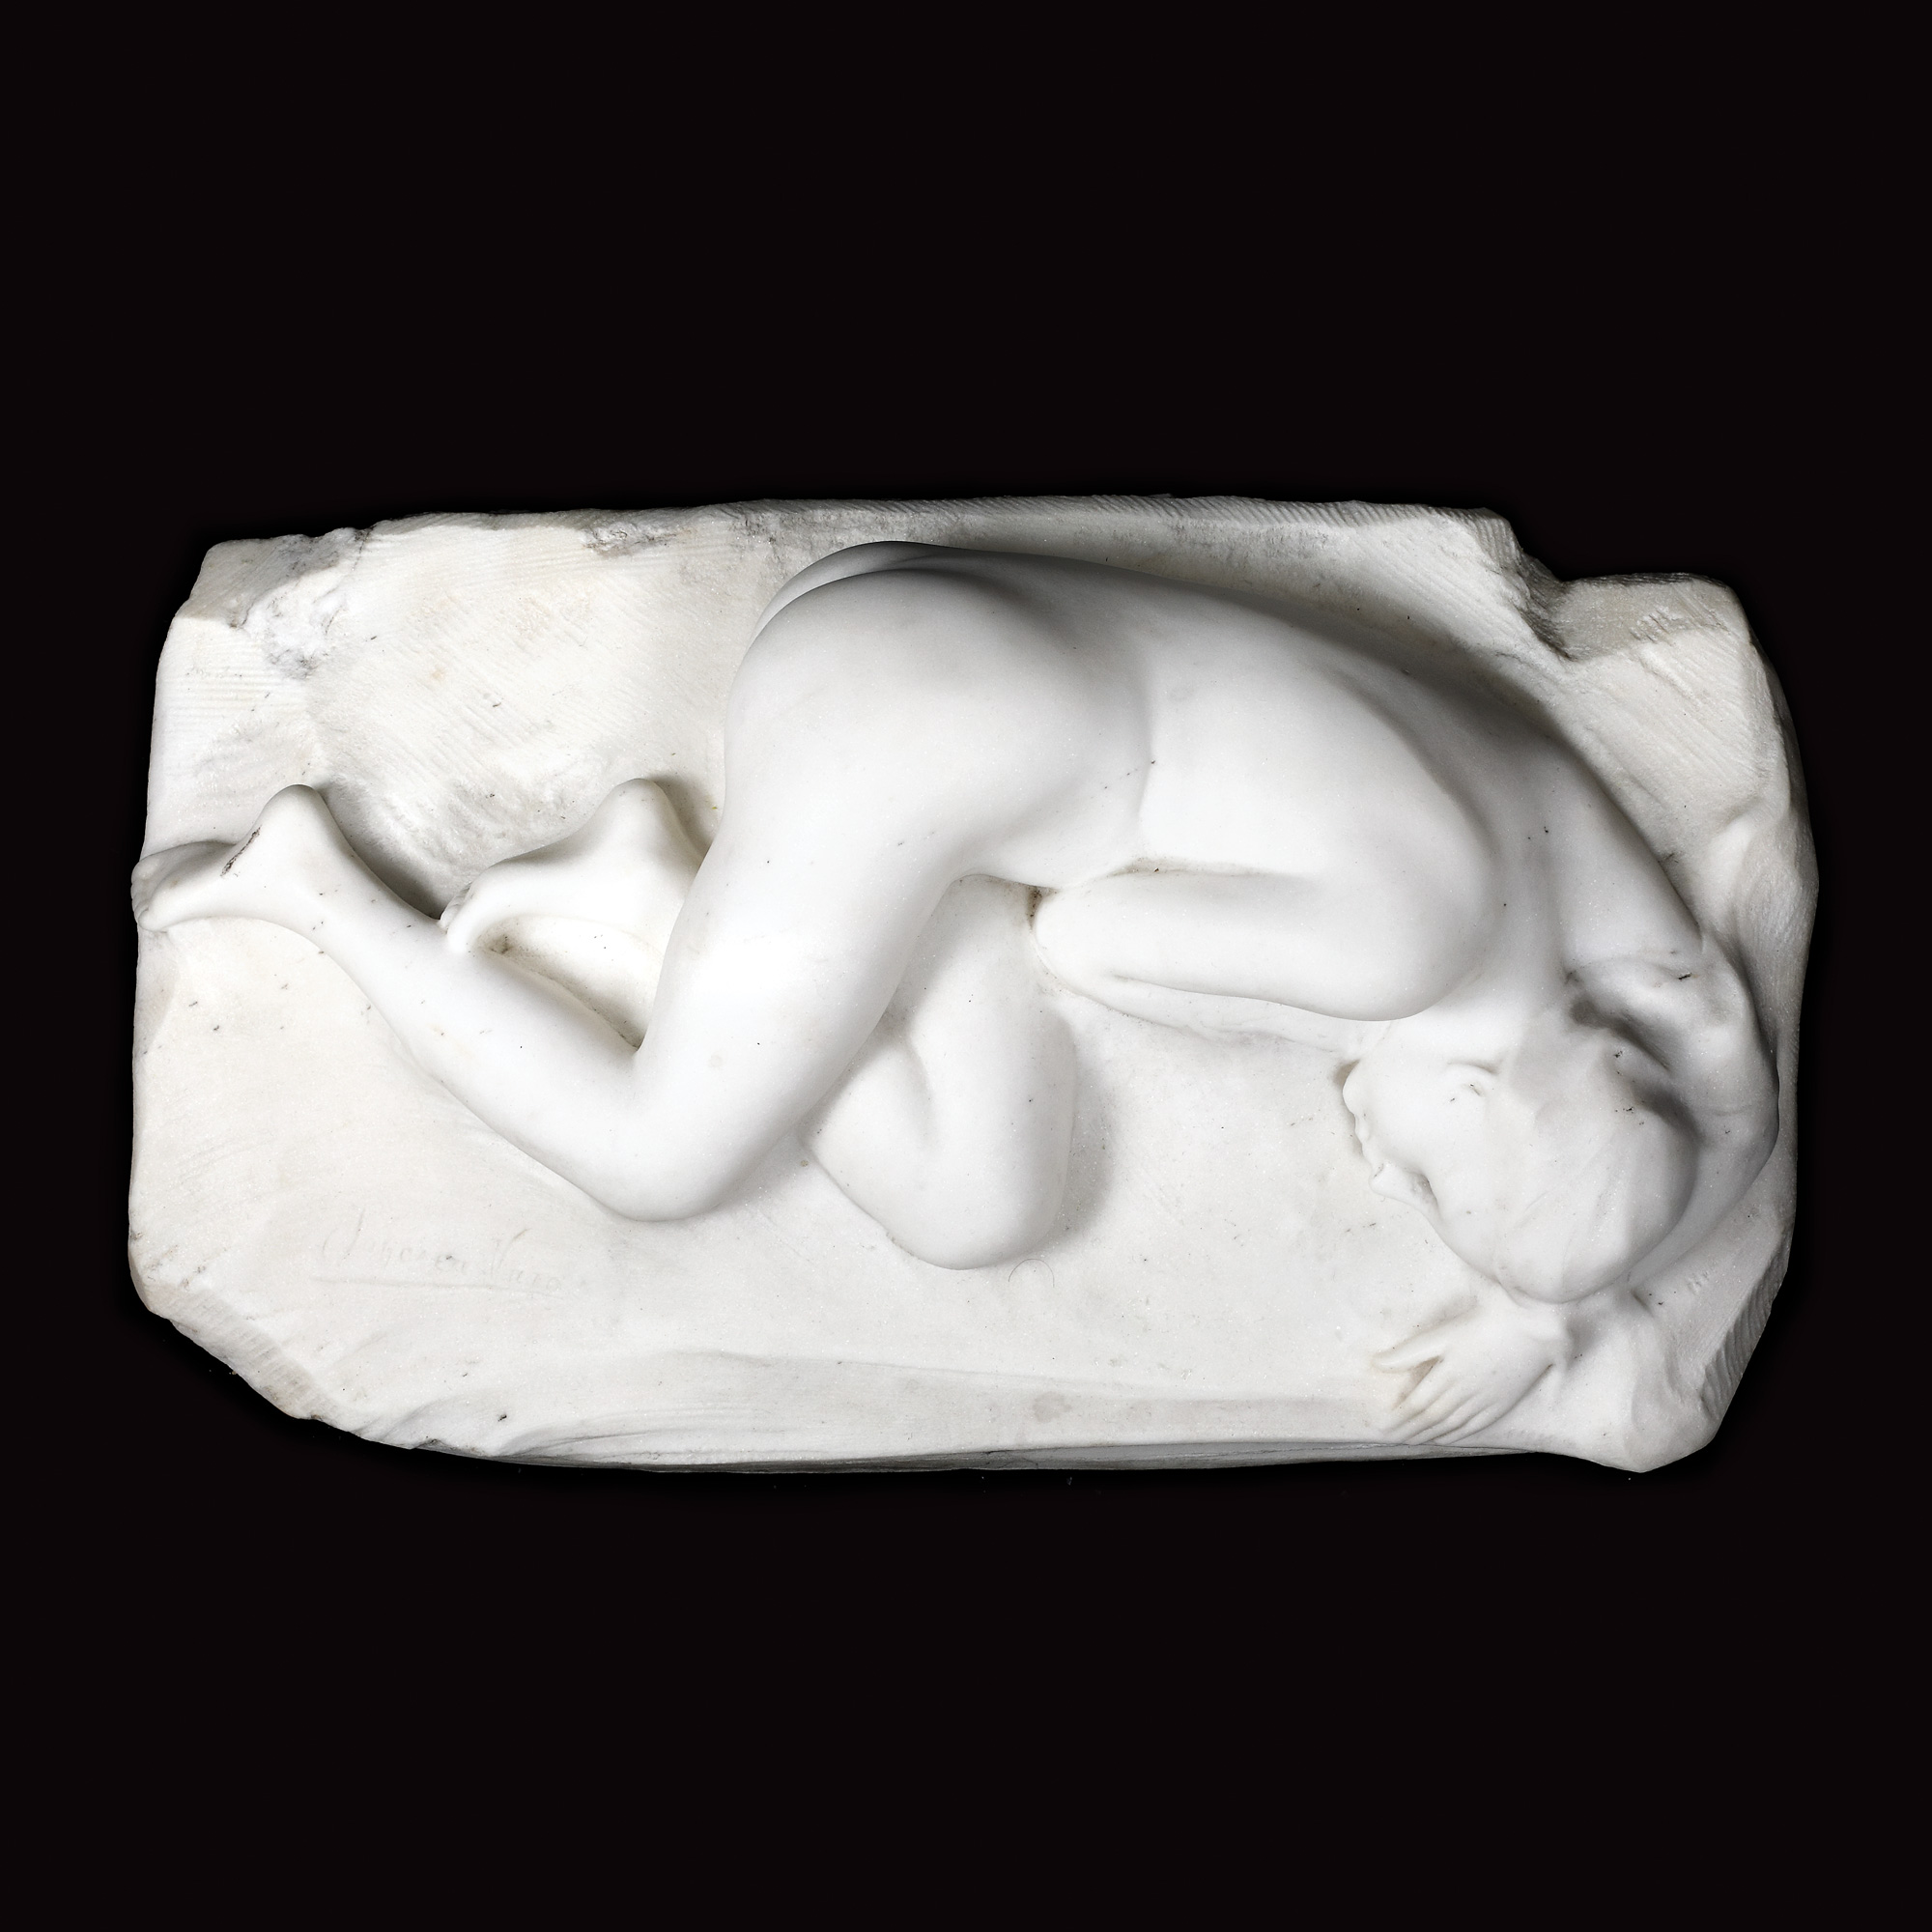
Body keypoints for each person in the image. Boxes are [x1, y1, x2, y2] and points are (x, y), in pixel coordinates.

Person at [133, 542, 1777, 1442]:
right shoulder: (1394, 960)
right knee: (660, 1157)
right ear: (1482, 1092)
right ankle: (314, 883)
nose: (1381, 1159)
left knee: (977, 1204)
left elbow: (1719, 1032)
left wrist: (1554, 1298)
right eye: (1427, 1174)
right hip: (908, 725)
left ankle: (653, 893)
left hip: (976, 737)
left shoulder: (1601, 916)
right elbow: (1088, 944)